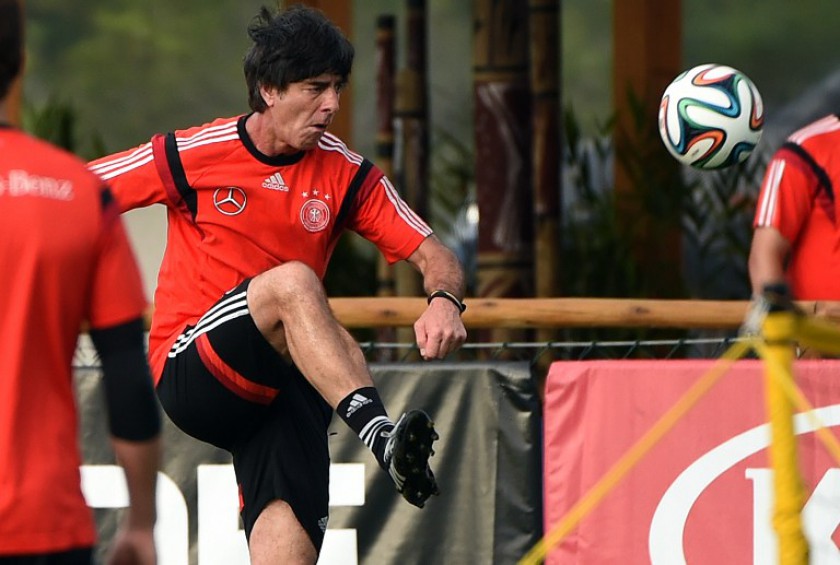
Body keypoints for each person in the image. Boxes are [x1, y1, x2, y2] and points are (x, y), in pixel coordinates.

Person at [88, 4, 467, 563]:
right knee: (293, 283)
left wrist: (444, 302)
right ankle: (381, 437)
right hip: (193, 366)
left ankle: (379, 442)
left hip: (284, 386)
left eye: (337, 88)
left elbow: (436, 255)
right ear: (268, 89)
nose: (332, 105)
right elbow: (81, 192)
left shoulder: (348, 174)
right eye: (316, 88)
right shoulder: (192, 153)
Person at [0, 1, 162, 564]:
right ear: (18, 64)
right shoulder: (77, 192)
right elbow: (125, 368)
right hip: (43, 522)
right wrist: (141, 522)